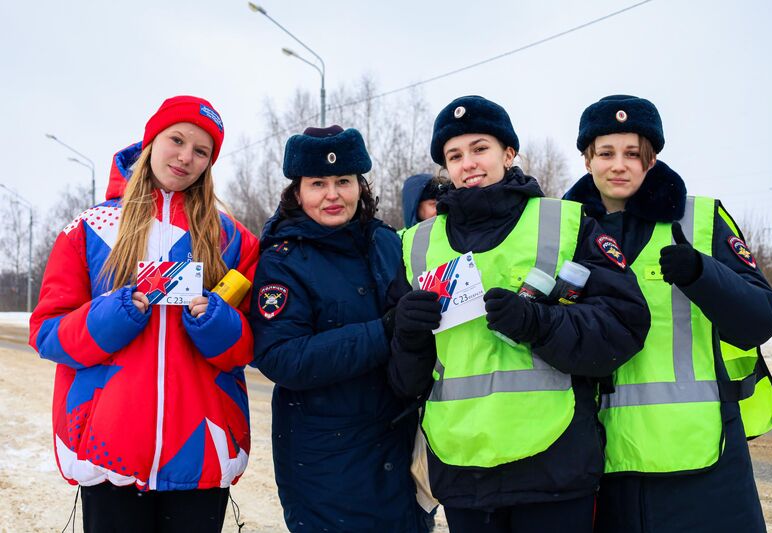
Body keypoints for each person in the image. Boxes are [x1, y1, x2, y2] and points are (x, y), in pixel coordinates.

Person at [385, 95, 651, 533]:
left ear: (509, 153)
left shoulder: (566, 223)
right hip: (462, 466)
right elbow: (404, 382)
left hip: (553, 467)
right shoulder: (415, 244)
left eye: (480, 148)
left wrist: (537, 323)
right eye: (455, 155)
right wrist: (408, 335)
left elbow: (622, 326)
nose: (469, 163)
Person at [29, 95, 259, 533]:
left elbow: (249, 346)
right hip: (107, 451)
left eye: (202, 151)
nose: (186, 157)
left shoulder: (232, 239)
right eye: (177, 140)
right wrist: (112, 316)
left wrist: (216, 323)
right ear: (151, 141)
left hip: (201, 450)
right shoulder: (90, 229)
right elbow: (47, 333)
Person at [563, 94, 772, 532]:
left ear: (652, 159)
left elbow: (761, 319)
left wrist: (702, 273)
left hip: (703, 466)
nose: (619, 165)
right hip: (603, 467)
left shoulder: (700, 220)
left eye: (633, 154)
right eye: (606, 153)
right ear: (588, 159)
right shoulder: (562, 231)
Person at [248, 125, 428, 532]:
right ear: (297, 193)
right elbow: (282, 357)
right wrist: (384, 331)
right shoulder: (283, 261)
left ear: (360, 186)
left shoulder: (388, 243)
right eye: (318, 184)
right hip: (327, 464)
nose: (333, 194)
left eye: (343, 181)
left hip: (400, 452)